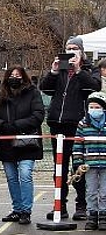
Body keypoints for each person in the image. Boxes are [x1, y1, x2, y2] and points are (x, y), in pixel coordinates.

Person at [39, 36, 99, 221]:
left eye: (75, 48)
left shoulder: (90, 70)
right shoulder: (61, 70)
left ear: (81, 51)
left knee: (78, 167)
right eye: (68, 48)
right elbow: (45, 88)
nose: (71, 51)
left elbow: (94, 88)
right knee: (59, 167)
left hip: (79, 126)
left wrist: (79, 69)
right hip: (58, 124)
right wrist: (54, 71)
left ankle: (82, 205)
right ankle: (60, 204)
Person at [0, 66, 45, 225]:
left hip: (27, 142)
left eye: (18, 75)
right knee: (11, 177)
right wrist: (3, 125)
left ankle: (26, 211)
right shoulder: (2, 95)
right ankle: (17, 209)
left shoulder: (33, 93)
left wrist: (17, 125)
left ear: (24, 77)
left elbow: (38, 115)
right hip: (6, 142)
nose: (14, 78)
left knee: (25, 174)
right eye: (11, 75)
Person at [73, 92, 106, 230]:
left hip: (105, 164)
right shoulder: (83, 123)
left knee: (105, 192)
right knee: (91, 191)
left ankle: (104, 216)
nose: (93, 110)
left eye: (96, 107)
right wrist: (78, 161)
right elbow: (78, 144)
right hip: (89, 164)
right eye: (91, 107)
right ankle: (92, 216)